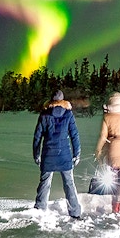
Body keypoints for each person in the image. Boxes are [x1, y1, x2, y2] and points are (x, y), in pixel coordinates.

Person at [33, 90, 82, 219]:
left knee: (45, 183)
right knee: (69, 184)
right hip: (64, 155)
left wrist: (36, 154)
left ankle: (39, 210)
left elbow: (37, 136)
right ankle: (75, 212)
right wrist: (77, 153)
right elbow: (74, 135)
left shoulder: (44, 114)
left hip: (48, 154)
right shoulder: (68, 114)